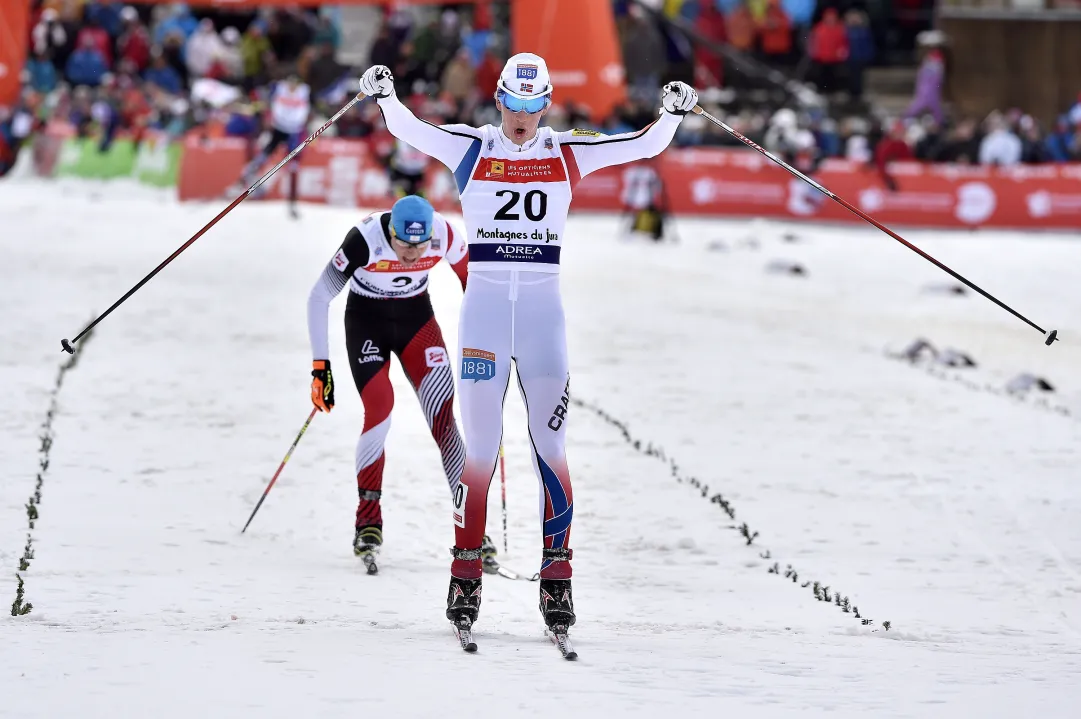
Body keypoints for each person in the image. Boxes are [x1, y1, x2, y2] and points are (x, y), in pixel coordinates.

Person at [359, 53, 697, 639]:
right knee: (479, 452)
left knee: (552, 449)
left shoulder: (567, 151)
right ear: (498, 101)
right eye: (511, 105)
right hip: (486, 318)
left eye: (531, 105)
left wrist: (670, 114)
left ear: (545, 104)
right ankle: (465, 574)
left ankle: (557, 580)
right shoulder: (472, 146)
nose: (520, 117)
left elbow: (639, 145)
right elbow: (411, 130)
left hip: (543, 320)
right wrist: (385, 96)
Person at [307, 195, 481, 574]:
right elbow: (320, 296)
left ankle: (472, 522)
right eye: (404, 244)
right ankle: (368, 521)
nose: (411, 254)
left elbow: (474, 282)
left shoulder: (446, 234)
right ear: (391, 231)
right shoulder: (365, 238)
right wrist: (321, 365)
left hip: (416, 320)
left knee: (443, 418)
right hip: (366, 321)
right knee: (380, 408)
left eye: (420, 246)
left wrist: (491, 337)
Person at [239, 73, 310, 218]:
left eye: (294, 85)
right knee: (266, 152)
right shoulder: (280, 88)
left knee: (293, 163)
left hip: (294, 131)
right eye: (290, 83)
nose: (292, 87)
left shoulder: (304, 90)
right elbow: (266, 99)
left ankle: (293, 200)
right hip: (278, 127)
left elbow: (307, 109)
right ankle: (246, 177)